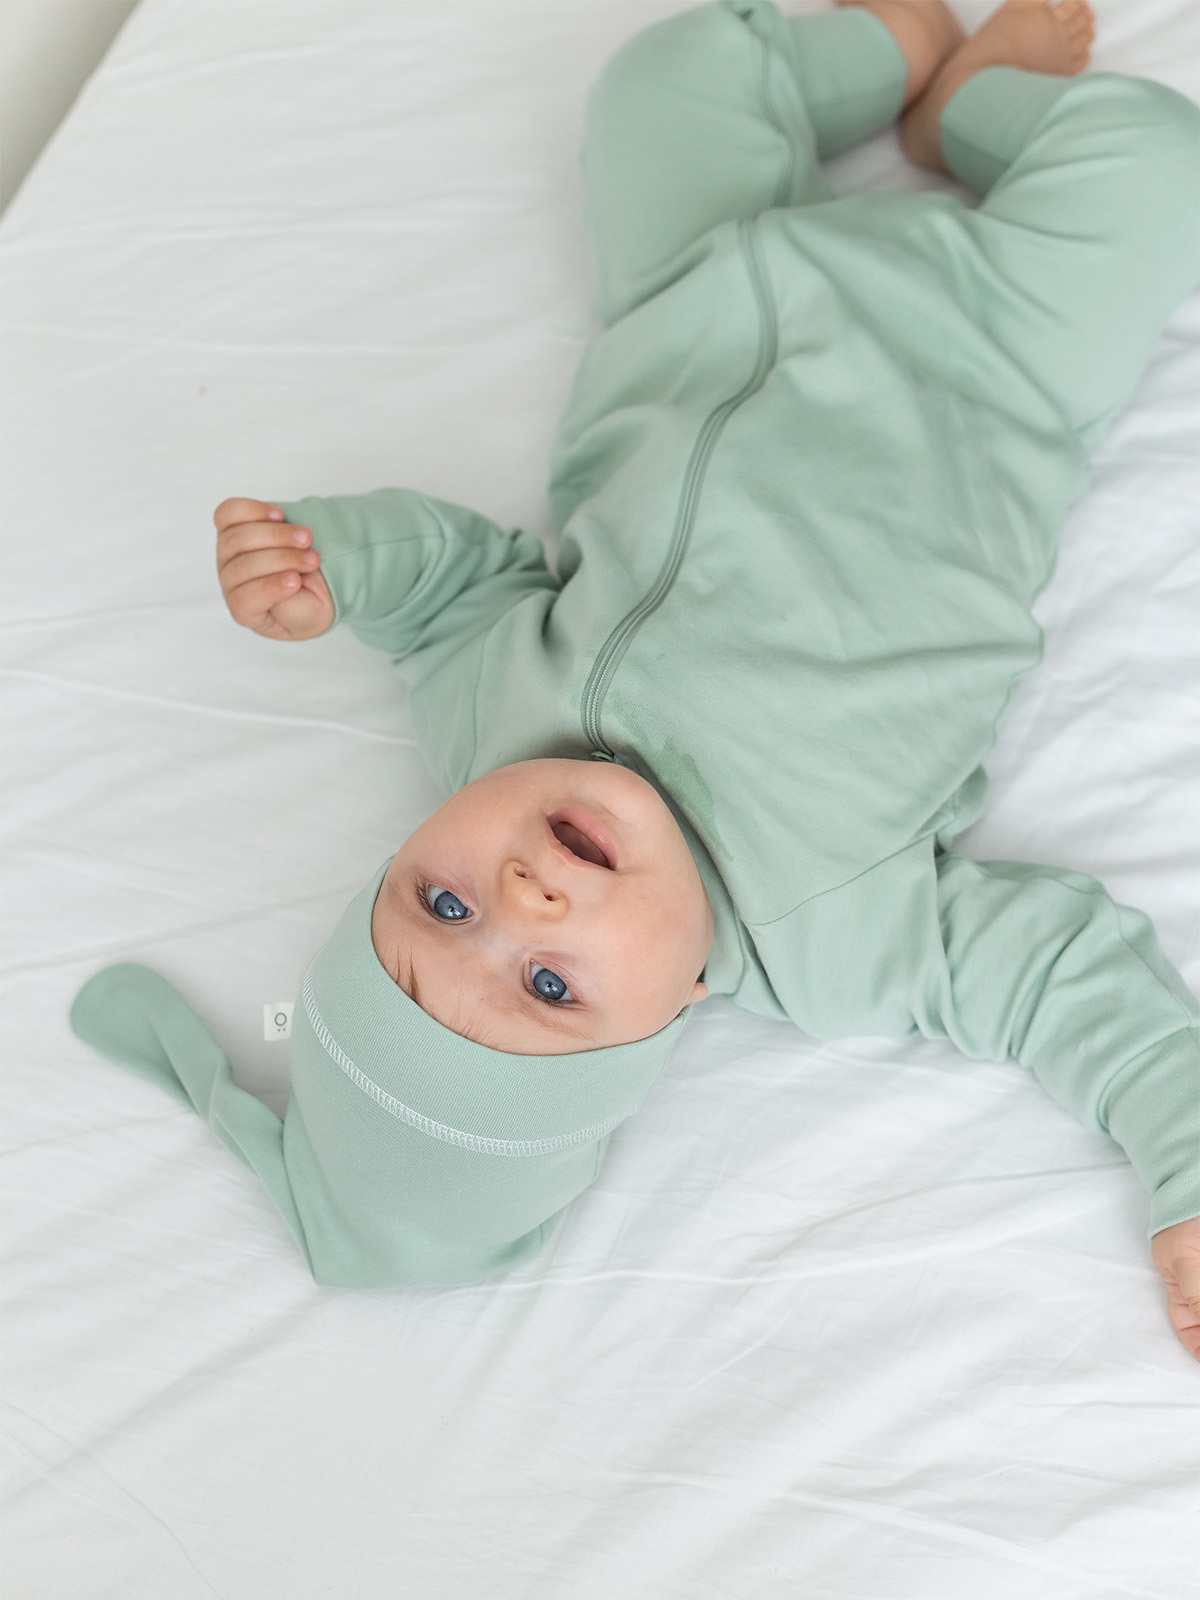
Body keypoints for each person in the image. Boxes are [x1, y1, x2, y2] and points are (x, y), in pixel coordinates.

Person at [70, 0, 1200, 1357]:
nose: (522, 896)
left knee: (664, 81)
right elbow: (1065, 983)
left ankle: (884, 55)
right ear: (660, 1025)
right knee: (1157, 159)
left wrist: (334, 565)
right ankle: (975, 115)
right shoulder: (843, 937)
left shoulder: (487, 726)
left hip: (698, 294)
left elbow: (452, 586)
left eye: (440, 902)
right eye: (550, 987)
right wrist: (1187, 1168)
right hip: (990, 356)